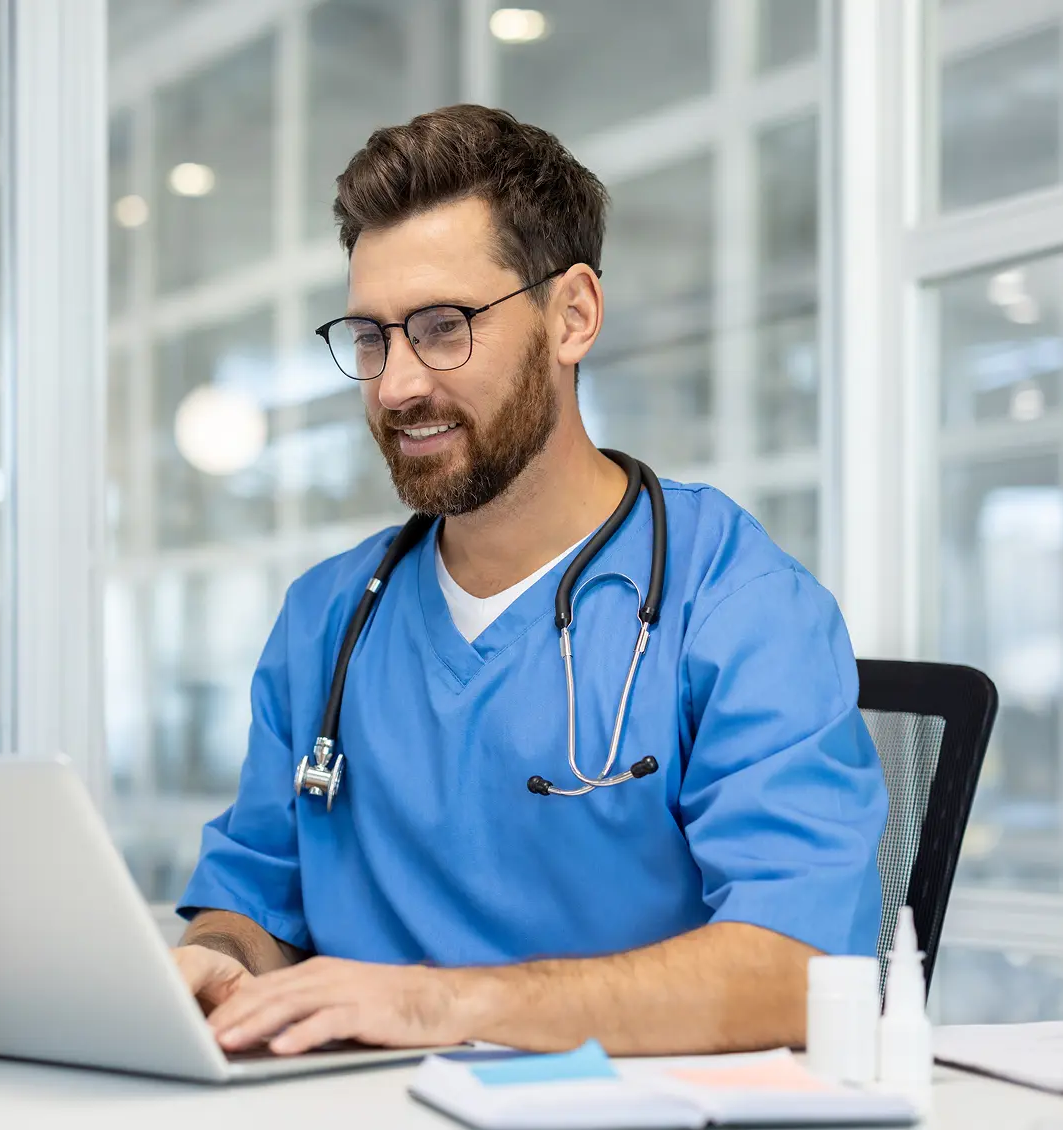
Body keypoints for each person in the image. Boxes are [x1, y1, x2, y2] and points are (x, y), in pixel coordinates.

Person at [172, 104, 888, 1058]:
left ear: (574, 316)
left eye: (442, 327)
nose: (395, 386)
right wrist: (219, 955)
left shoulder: (735, 602)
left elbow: (801, 971)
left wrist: (436, 1006)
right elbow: (255, 897)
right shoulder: (327, 620)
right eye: (373, 338)